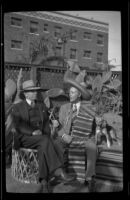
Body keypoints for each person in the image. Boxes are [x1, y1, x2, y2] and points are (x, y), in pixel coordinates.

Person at [11, 79, 74, 193]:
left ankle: (44, 182)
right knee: (44, 141)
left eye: (35, 90)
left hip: (41, 139)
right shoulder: (18, 106)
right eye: (32, 91)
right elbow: (18, 124)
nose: (35, 92)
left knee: (44, 145)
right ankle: (58, 171)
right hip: (25, 138)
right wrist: (32, 132)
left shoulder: (41, 105)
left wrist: (51, 129)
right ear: (25, 94)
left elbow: (45, 123)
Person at [52, 65, 97, 192]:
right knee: (57, 143)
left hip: (84, 137)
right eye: (69, 92)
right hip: (67, 137)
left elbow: (95, 125)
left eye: (72, 92)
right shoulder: (64, 108)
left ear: (79, 95)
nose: (69, 95)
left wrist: (100, 123)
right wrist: (62, 135)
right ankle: (62, 173)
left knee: (92, 147)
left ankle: (90, 178)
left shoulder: (88, 108)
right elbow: (59, 125)